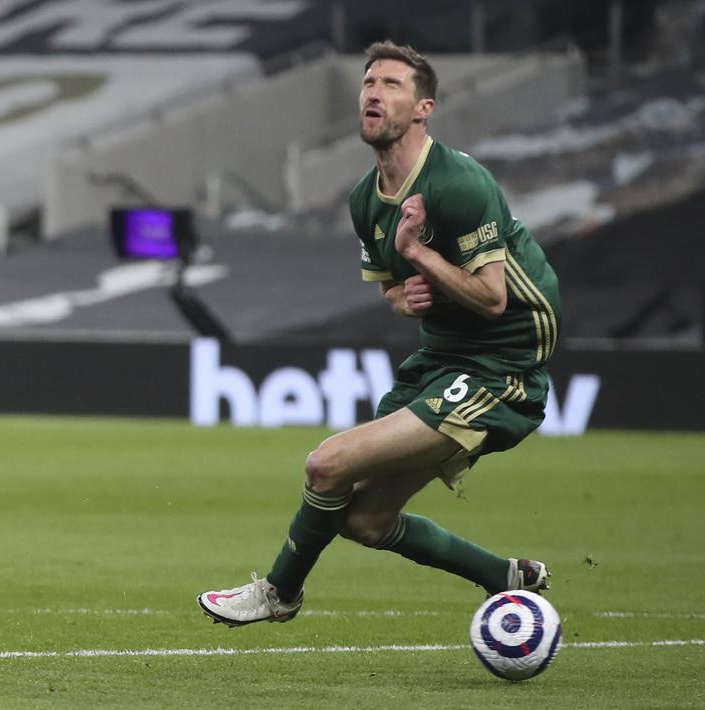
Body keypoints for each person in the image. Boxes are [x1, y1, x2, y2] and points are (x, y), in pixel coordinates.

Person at [197, 41, 561, 626]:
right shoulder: (366, 198)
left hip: (505, 364)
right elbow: (392, 289)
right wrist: (404, 294)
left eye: (392, 84)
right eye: (369, 82)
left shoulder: (459, 183)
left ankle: (279, 593)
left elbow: (494, 299)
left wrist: (419, 252)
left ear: (423, 109)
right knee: (365, 521)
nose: (374, 92)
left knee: (326, 465)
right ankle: (503, 577)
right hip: (443, 356)